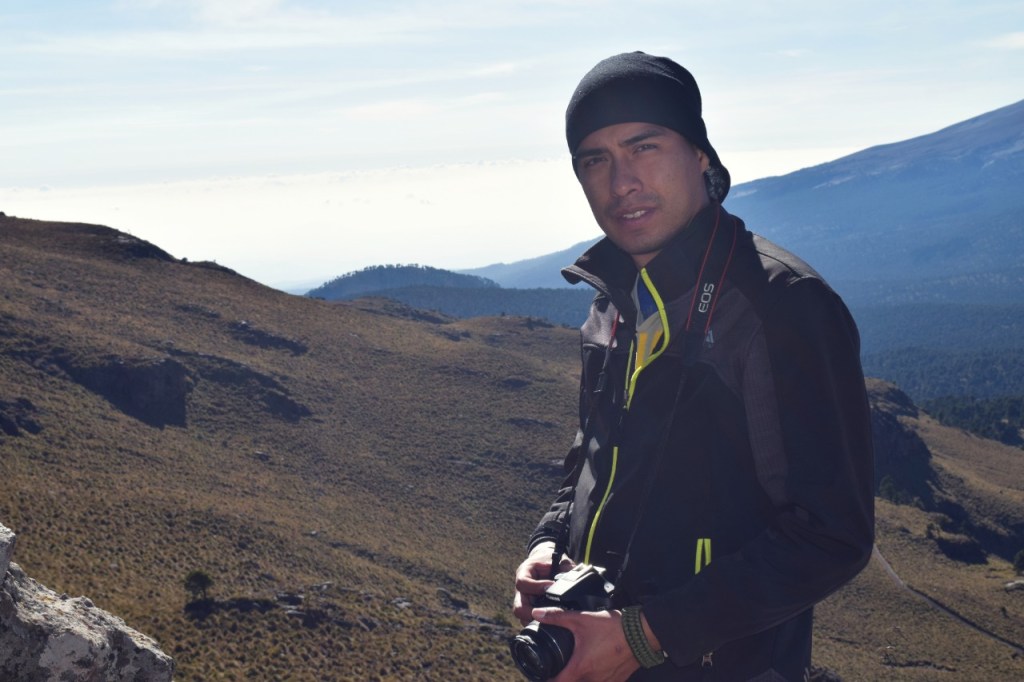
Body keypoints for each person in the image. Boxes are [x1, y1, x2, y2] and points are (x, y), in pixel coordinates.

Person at [512, 52, 875, 682]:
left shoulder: (781, 306)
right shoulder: (612, 304)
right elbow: (590, 459)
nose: (621, 182)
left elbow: (832, 535)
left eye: (644, 147)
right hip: (600, 656)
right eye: (594, 160)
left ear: (701, 155)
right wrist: (548, 544)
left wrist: (646, 635)